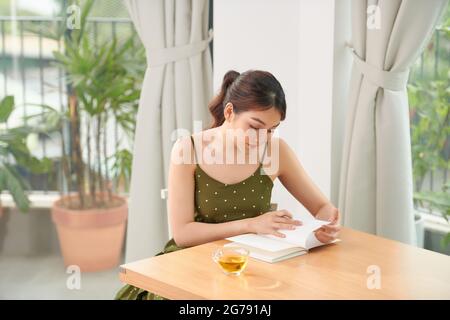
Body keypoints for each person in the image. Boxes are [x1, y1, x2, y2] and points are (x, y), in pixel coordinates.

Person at [115, 69, 340, 300]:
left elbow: (322, 207)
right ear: (230, 111)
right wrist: (251, 224)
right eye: (255, 126)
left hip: (253, 265)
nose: (262, 139)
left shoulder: (276, 152)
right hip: (192, 264)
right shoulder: (188, 150)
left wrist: (323, 228)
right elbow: (182, 233)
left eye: (271, 130)